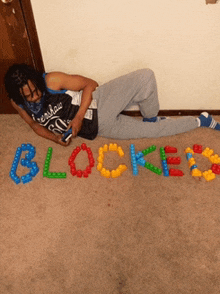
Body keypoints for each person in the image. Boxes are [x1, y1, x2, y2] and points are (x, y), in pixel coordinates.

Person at [4, 63, 220, 146]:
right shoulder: (18, 103)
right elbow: (34, 125)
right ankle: (201, 120)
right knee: (153, 132)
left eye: (35, 91)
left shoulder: (51, 80)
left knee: (146, 76)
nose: (34, 96)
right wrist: (55, 138)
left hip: (97, 105)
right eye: (28, 96)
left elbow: (91, 84)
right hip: (98, 130)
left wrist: (78, 117)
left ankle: (151, 115)